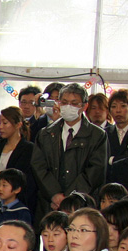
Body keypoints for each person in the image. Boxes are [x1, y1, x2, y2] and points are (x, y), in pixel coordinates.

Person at [31, 83, 108, 213]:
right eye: (64, 102)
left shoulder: (98, 135)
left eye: (74, 103)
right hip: (50, 204)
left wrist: (69, 198)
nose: (68, 107)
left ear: (84, 106)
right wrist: (54, 194)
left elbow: (95, 170)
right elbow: (38, 166)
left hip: (81, 204)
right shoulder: (46, 133)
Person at [0, 106, 37, 210]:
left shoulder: (28, 148)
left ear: (18, 124)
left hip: (12, 196)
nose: (0, 127)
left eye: (5, 123)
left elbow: (17, 178)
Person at [105, 89, 128, 191]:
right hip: (109, 185)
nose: (118, 110)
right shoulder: (104, 133)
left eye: (123, 106)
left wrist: (112, 160)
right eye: (114, 106)